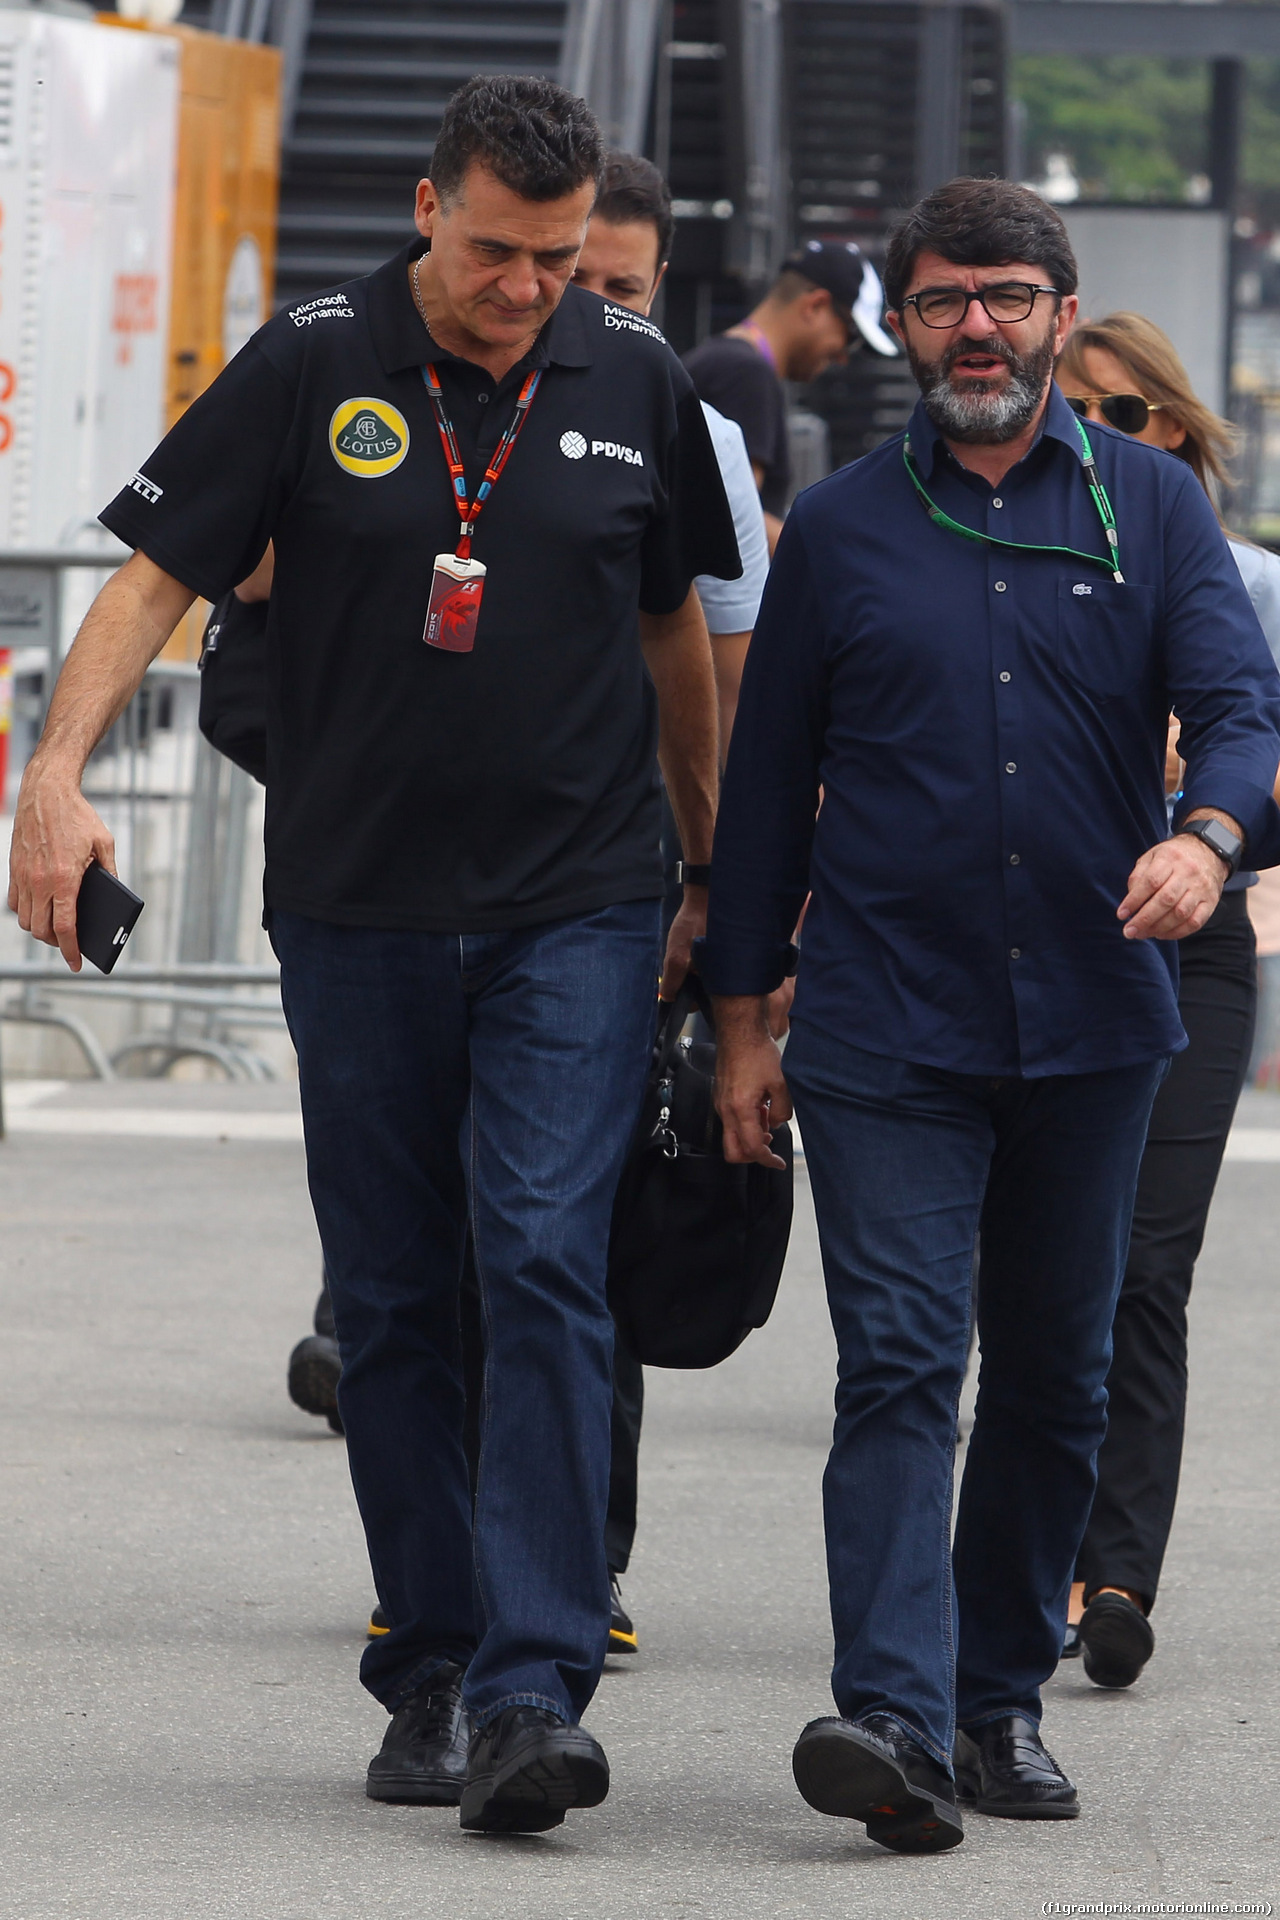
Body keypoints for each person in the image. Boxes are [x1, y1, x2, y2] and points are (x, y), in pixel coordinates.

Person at [8, 74, 741, 1833]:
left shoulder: (634, 373)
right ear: (430, 208)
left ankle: (531, 1685)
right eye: (495, 250)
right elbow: (149, 584)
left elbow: (679, 654)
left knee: (545, 1262)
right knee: (399, 1295)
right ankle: (428, 1660)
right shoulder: (311, 358)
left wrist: (713, 878)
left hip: (578, 906)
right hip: (356, 908)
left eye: (556, 259)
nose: (525, 287)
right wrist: (51, 780)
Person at [699, 177, 1280, 1854]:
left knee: (1054, 1375)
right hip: (887, 1024)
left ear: (1056, 308)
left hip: (1100, 1021)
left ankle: (995, 1697)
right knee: (896, 1361)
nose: (981, 326)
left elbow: (1242, 718)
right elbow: (767, 798)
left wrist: (1207, 834)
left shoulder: (1154, 511)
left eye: (1011, 298)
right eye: (948, 298)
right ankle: (889, 1708)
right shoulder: (845, 533)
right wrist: (744, 1022)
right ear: (905, 323)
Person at [1053, 311, 1280, 1687]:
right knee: (1038, 1272)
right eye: (1081, 416)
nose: (1104, 443)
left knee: (1149, 1265)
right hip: (1037, 941)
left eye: (1129, 418)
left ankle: (1114, 1567)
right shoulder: (1016, 560)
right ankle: (1026, 1541)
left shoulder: (1251, 582)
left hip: (1195, 945)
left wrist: (1211, 819)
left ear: (1181, 432)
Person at [570, 148, 772, 1639]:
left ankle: (586, 1552)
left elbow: (738, 680)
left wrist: (720, 898)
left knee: (576, 1217)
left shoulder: (693, 434)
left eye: (621, 292)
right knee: (438, 1241)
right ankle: (446, 1558)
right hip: (418, 880)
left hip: (623, 883)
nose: (585, 314)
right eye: (572, 281)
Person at [683, 238, 898, 551]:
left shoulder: (725, 359)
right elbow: (732, 517)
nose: (843, 357)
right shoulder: (746, 373)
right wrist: (836, 560)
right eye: (850, 336)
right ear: (816, 305)